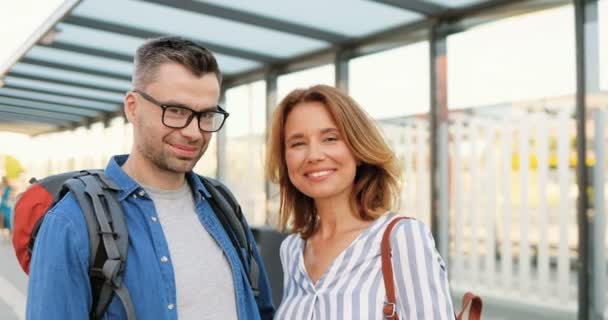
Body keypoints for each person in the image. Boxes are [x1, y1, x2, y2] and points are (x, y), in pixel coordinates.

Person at [27, 36, 274, 320]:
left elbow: (262, 310)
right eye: (176, 111)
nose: (194, 132)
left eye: (206, 115)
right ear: (132, 107)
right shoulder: (72, 222)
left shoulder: (223, 205)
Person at [265, 85, 454, 319]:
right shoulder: (292, 250)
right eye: (298, 143)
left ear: (358, 148)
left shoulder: (403, 238)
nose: (314, 155)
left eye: (330, 138)